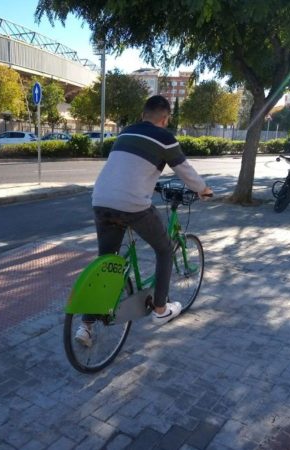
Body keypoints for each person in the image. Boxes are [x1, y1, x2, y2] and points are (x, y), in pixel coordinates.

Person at [75, 95, 213, 347]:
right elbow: (186, 171)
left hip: (101, 200)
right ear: (165, 118)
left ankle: (86, 326)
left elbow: (129, 168)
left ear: (143, 115)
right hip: (132, 205)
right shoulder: (165, 138)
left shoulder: (126, 133)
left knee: (106, 262)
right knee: (164, 250)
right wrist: (204, 190)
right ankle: (160, 309)